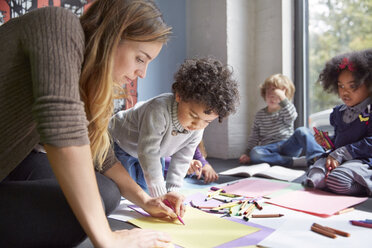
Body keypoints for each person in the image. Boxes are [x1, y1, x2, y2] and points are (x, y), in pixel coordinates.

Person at [0, 1, 186, 247]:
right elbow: (62, 129)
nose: (142, 73)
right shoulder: (59, 25)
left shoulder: (82, 75)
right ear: (112, 37)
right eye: (140, 59)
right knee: (89, 208)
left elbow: (100, 154)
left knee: (105, 193)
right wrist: (107, 238)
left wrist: (145, 199)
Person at [111, 57, 239, 197]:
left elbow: (183, 158)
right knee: (127, 192)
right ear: (179, 96)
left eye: (207, 122)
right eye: (193, 115)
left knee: (147, 192)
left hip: (154, 151)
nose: (197, 125)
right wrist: (160, 196)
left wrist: (172, 191)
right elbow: (148, 153)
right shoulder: (158, 109)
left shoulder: (197, 127)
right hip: (120, 143)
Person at [304, 50, 372, 196]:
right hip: (342, 160)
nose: (345, 92)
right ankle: (332, 182)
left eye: (352, 86)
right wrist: (327, 142)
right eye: (341, 86)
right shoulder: (339, 113)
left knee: (338, 179)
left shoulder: (369, 111)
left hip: (363, 161)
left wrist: (340, 153)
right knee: (315, 175)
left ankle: (364, 186)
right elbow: (340, 142)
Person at [239, 74, 323, 167]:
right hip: (269, 148)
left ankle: (319, 157)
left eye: (275, 95)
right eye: (269, 93)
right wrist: (247, 153)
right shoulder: (260, 115)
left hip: (287, 145)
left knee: (302, 130)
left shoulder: (285, 110)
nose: (272, 97)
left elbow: (292, 116)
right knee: (255, 153)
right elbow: (254, 136)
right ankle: (292, 162)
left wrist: (282, 97)